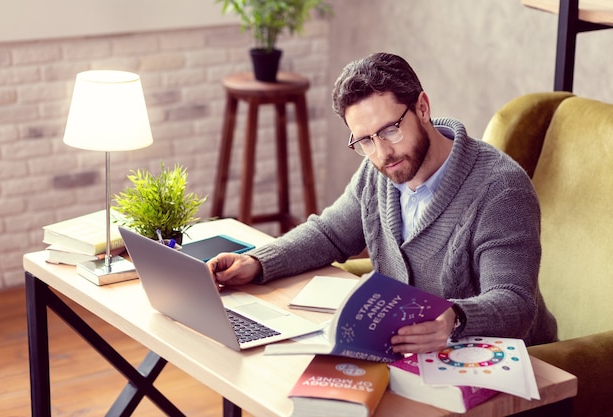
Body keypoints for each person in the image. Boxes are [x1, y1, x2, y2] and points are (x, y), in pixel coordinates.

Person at [208, 52, 558, 354]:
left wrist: (456, 317)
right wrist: (256, 261)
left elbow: (515, 303)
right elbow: (329, 234)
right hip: (414, 356)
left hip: (508, 364)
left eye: (391, 129)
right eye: (365, 140)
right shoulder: (378, 172)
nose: (382, 152)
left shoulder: (500, 188)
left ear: (422, 107)